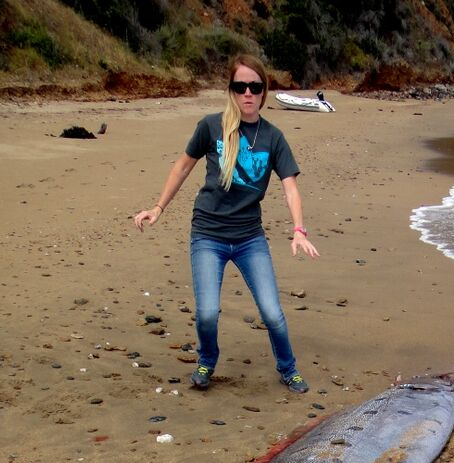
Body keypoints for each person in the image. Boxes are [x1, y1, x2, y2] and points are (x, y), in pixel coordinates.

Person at [133, 54, 319, 394]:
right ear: (231, 91)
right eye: (240, 86)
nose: (247, 93)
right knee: (206, 314)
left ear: (264, 91)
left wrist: (298, 229)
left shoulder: (273, 138)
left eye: (255, 87)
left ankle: (288, 368)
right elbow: (183, 167)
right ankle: (206, 360)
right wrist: (158, 207)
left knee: (273, 313)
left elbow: (290, 186)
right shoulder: (211, 126)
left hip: (249, 238)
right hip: (208, 235)